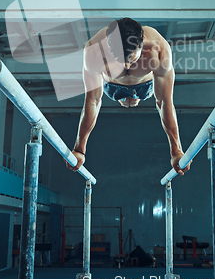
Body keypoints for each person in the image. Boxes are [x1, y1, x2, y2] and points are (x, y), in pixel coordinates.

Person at [68, 18, 191, 176]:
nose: (126, 66)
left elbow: (164, 102)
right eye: (119, 60)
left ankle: (132, 97)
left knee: (133, 100)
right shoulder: (94, 50)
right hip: (112, 87)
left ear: (143, 41)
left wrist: (176, 151)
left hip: (145, 86)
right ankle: (126, 97)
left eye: (132, 60)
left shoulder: (159, 49)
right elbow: (93, 100)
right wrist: (79, 149)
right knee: (125, 100)